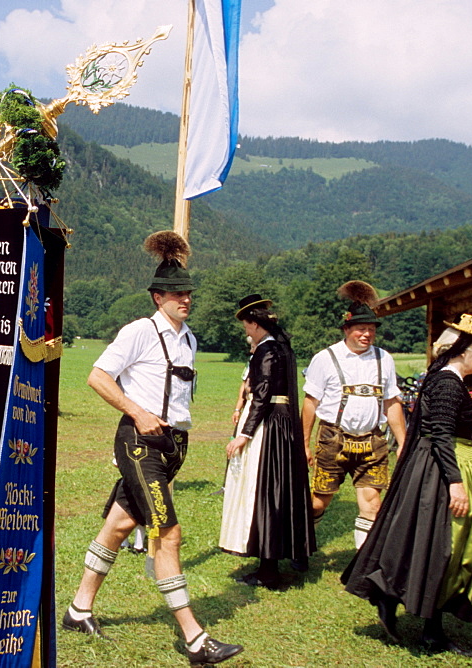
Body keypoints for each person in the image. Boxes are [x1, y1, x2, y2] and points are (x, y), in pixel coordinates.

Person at [62, 231, 243, 667]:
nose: (186, 300)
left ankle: (77, 611)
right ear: (158, 296)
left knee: (120, 526)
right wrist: (138, 413)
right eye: (177, 294)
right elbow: (98, 377)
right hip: (140, 442)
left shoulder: (190, 338)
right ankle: (194, 639)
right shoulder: (139, 332)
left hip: (172, 445)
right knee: (169, 533)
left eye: (188, 293)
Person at [342, 314, 472, 656]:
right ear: (463, 351)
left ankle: (398, 602)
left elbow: (446, 429)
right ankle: (430, 632)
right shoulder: (447, 381)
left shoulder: (445, 379)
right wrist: (455, 484)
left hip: (448, 464)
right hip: (446, 473)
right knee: (447, 548)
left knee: (435, 546)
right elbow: (440, 435)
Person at [302, 281, 407, 549]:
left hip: (373, 441)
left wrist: (403, 442)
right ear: (346, 329)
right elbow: (310, 404)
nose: (367, 334)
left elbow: (392, 402)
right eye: (361, 328)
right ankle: (302, 543)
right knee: (318, 501)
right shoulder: (325, 358)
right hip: (333, 440)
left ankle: (364, 563)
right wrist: (303, 444)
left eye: (371, 329)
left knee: (372, 503)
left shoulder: (385, 359)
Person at [220, 295, 315, 587]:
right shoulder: (280, 347)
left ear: (254, 323)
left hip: (269, 426)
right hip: (280, 423)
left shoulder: (268, 350)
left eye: (246, 325)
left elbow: (261, 395)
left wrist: (244, 435)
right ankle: (275, 560)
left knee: (264, 492)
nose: (245, 331)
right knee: (276, 491)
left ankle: (269, 569)